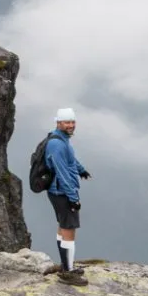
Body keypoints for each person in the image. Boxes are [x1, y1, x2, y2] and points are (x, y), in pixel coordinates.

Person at [45, 107, 91, 286]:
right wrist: (73, 197)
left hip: (59, 191)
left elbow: (70, 160)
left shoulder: (62, 139)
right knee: (69, 229)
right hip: (61, 192)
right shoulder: (57, 143)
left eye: (72, 122)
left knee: (63, 226)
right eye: (67, 122)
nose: (71, 125)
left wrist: (81, 170)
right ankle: (68, 271)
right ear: (58, 123)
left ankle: (66, 265)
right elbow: (61, 171)